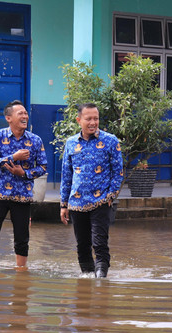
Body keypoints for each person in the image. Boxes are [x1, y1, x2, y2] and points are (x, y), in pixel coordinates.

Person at [0, 100, 48, 269]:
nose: (25, 116)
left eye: (26, 113)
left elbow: (43, 167)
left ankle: (21, 272)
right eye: (21, 114)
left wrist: (23, 173)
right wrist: (13, 157)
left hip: (23, 196)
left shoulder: (35, 140)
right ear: (8, 118)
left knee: (22, 239)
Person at [60, 103, 124, 278]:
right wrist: (63, 204)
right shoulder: (71, 143)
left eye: (96, 118)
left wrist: (111, 195)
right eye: (89, 119)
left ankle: (101, 279)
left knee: (100, 242)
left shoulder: (110, 141)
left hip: (101, 200)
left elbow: (118, 172)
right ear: (79, 120)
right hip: (77, 203)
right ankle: (87, 279)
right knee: (82, 244)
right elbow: (66, 175)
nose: (93, 122)